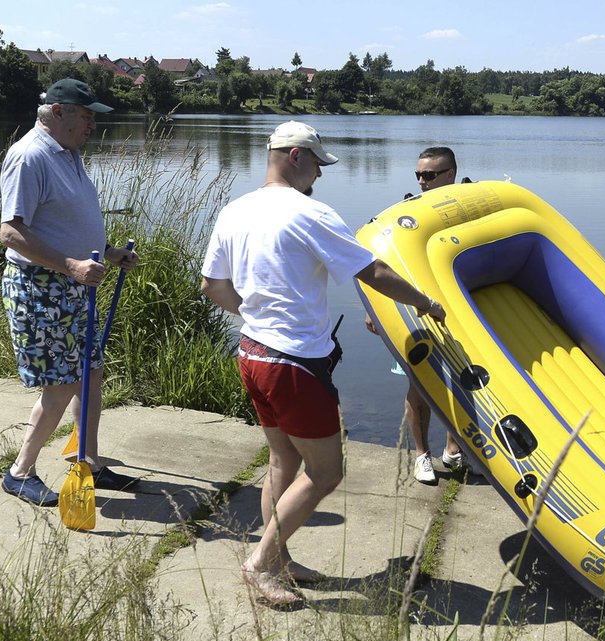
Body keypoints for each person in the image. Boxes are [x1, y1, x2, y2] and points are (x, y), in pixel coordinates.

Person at [200, 121, 447, 607]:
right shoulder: (308, 213)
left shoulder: (235, 209)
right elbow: (372, 270)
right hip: (293, 364)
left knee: (283, 461)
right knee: (325, 472)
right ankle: (259, 566)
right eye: (316, 163)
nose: (319, 174)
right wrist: (424, 302)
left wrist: (254, 313)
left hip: (251, 353)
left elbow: (212, 287)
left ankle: (280, 558)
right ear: (295, 156)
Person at [0, 78, 140, 506]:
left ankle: (88, 460)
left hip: (74, 288)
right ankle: (19, 472)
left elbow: (62, 222)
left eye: (94, 116)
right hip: (41, 288)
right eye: (86, 115)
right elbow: (11, 232)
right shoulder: (29, 156)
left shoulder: (69, 153)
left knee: (90, 376)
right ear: (58, 112)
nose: (92, 123)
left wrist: (108, 253)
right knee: (62, 384)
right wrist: (72, 266)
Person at [364, 146, 470, 484]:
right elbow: (384, 263)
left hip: (461, 315)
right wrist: (375, 310)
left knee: (464, 384)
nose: (422, 182)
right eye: (419, 175)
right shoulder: (407, 214)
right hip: (415, 314)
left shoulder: (469, 205)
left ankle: (453, 450)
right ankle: (421, 455)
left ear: (450, 174)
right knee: (418, 385)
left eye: (430, 175)